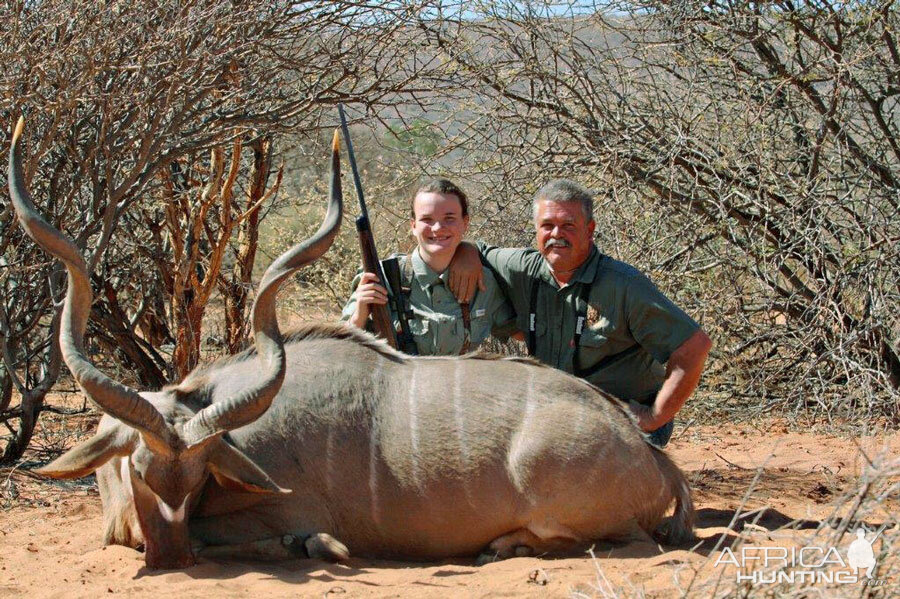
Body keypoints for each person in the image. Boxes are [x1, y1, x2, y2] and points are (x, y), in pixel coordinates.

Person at [449, 179, 712, 447]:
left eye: (568, 226)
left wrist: (654, 416)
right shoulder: (523, 268)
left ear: (590, 230)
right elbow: (477, 249)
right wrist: (466, 254)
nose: (556, 234)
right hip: (560, 418)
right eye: (547, 225)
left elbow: (694, 346)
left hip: (621, 424)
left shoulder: (623, 285)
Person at [342, 179, 516, 355]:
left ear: (465, 222)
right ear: (413, 226)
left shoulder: (483, 282)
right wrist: (359, 315)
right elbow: (339, 349)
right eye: (427, 219)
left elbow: (521, 333)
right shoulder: (381, 277)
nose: (438, 228)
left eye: (449, 218)